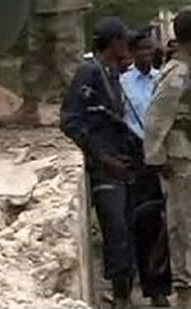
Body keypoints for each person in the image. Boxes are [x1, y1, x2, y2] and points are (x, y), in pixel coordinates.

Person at [143, 10, 191, 308]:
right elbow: (157, 116)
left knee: (185, 229)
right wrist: (157, 157)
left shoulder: (185, 68)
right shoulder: (179, 72)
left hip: (184, 157)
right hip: (184, 158)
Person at [59, 17, 137, 309]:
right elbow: (71, 121)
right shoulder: (89, 72)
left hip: (119, 161)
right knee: (115, 230)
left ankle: (124, 292)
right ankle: (120, 298)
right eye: (123, 40)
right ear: (114, 41)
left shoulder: (110, 73)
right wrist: (102, 158)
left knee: (126, 230)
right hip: (105, 166)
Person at [119, 30, 172, 307]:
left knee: (162, 221)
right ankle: (139, 286)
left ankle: (161, 285)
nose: (145, 55)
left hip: (161, 153)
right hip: (135, 155)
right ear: (132, 51)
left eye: (149, 49)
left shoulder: (162, 80)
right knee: (138, 222)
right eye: (140, 49)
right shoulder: (122, 84)